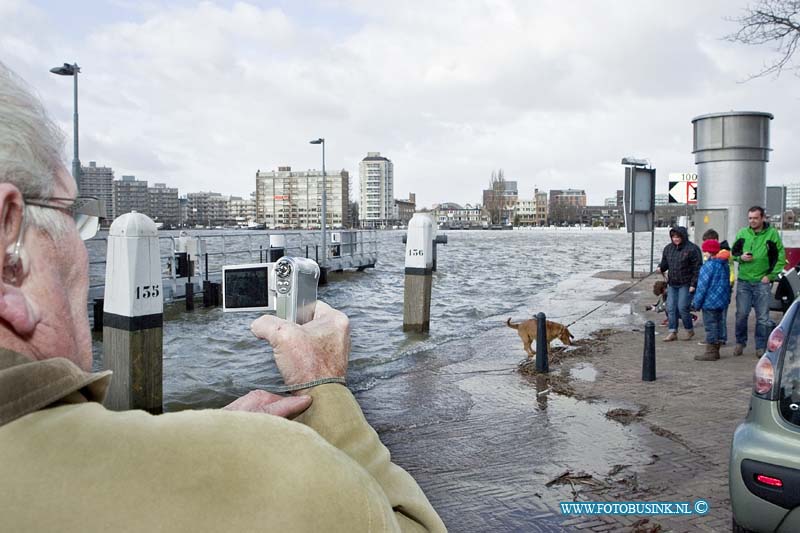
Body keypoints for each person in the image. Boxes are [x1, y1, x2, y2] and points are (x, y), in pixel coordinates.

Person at [0, 62, 446, 531]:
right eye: (72, 215)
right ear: (8, 244)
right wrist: (322, 388)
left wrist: (199, 437)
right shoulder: (289, 475)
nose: (82, 242)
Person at [731, 206, 786, 357]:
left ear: (762, 218)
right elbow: (733, 252)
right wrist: (740, 257)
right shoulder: (743, 233)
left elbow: (780, 257)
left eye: (755, 218)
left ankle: (760, 346)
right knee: (741, 314)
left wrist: (770, 275)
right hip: (744, 281)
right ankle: (740, 342)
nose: (752, 221)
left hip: (762, 281)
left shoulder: (772, 234)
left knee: (762, 316)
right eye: (750, 218)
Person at [656, 226, 702, 342]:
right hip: (672, 283)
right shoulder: (668, 249)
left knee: (682, 307)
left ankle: (689, 330)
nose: (675, 239)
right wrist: (660, 267)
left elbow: (697, 269)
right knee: (670, 307)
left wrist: (694, 284)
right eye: (673, 237)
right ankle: (673, 332)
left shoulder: (693, 249)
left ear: (683, 236)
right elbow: (665, 264)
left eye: (678, 236)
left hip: (686, 283)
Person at [692, 239, 731, 361]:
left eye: (705, 252)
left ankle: (711, 352)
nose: (704, 254)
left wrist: (696, 303)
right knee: (719, 324)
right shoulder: (724, 265)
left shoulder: (707, 266)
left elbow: (702, 287)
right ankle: (717, 348)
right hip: (721, 300)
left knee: (710, 326)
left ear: (709, 252)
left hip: (709, 301)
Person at [700, 228, 733, 345]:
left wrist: (697, 302)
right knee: (719, 317)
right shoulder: (721, 259)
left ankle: (715, 341)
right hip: (723, 289)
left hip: (717, 291)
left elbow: (703, 284)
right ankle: (719, 339)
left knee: (714, 319)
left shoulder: (720, 256)